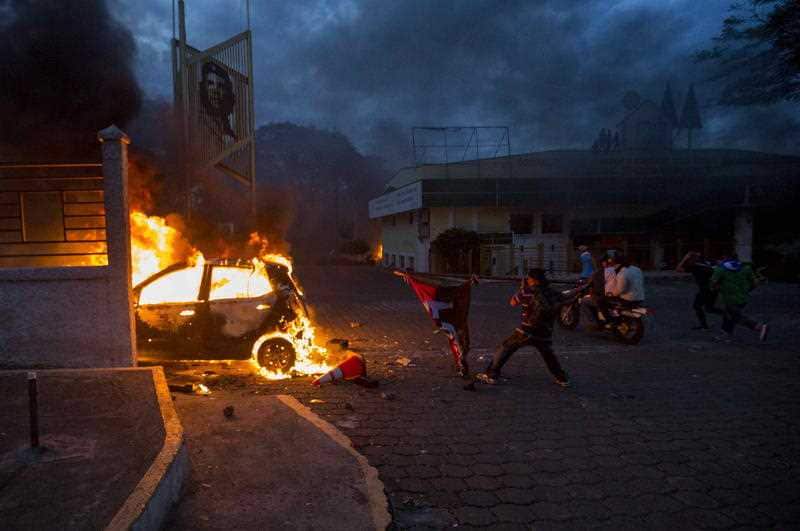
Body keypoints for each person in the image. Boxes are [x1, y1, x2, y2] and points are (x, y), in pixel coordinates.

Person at [476, 268, 574, 387]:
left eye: (529, 278)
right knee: (549, 356)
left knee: (505, 347)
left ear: (533, 280)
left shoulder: (527, 291)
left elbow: (512, 302)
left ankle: (491, 374)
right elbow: (564, 298)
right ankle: (562, 378)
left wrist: (522, 289)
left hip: (527, 330)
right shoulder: (552, 292)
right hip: (545, 331)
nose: (527, 280)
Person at [711, 255, 768, 342]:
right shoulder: (746, 268)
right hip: (743, 298)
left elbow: (713, 284)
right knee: (729, 316)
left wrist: (719, 289)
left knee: (736, 316)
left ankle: (759, 327)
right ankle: (725, 334)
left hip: (729, 297)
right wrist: (747, 290)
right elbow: (755, 283)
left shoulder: (720, 270)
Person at [676, 251, 721, 330]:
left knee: (697, 306)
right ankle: (728, 315)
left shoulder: (694, 266)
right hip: (714, 289)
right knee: (709, 308)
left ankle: (705, 326)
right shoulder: (708, 263)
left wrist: (684, 258)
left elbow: (678, 269)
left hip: (705, 289)